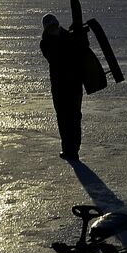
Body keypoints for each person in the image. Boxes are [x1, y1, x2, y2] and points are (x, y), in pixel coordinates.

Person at [40, 13, 86, 160]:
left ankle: (73, 150)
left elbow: (83, 50)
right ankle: (68, 150)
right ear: (46, 29)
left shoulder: (69, 36)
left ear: (57, 24)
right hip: (60, 86)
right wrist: (73, 37)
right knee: (64, 118)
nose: (53, 28)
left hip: (73, 84)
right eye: (49, 27)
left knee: (74, 117)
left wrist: (80, 34)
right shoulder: (46, 43)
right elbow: (56, 57)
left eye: (54, 25)